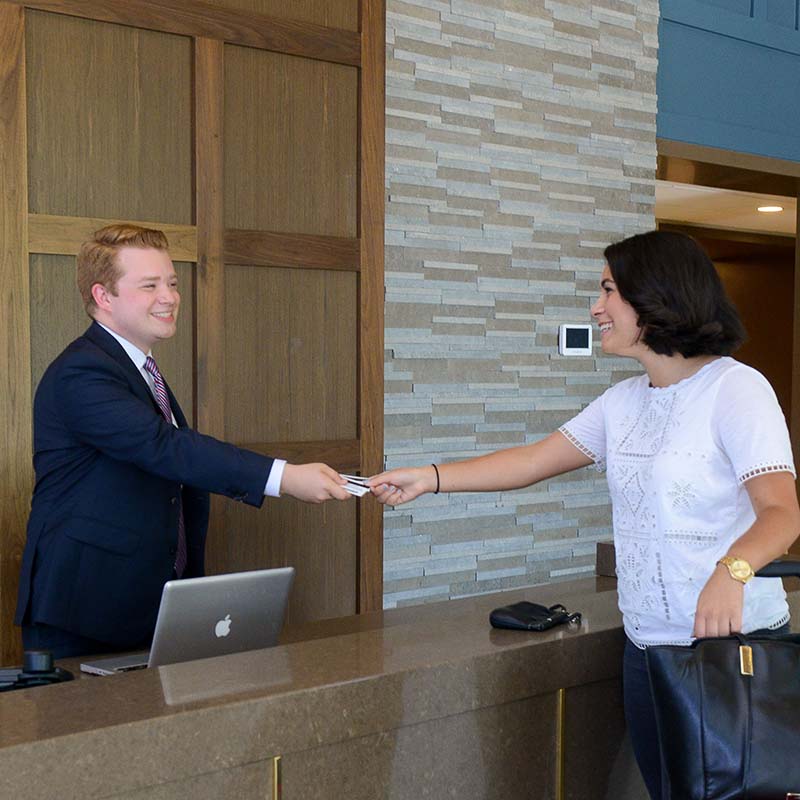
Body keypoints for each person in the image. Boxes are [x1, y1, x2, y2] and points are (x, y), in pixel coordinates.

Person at [367, 230, 800, 799]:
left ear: (654, 295)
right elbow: (530, 461)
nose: (596, 307)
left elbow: (781, 513)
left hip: (731, 650)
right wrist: (430, 477)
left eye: (608, 290)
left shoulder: (737, 390)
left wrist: (732, 571)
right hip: (647, 652)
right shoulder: (624, 402)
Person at [16, 224, 352, 659]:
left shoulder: (138, 369)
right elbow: (166, 448)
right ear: (103, 297)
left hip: (147, 609)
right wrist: (282, 477)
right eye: (150, 285)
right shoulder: (82, 372)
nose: (170, 297)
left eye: (172, 283)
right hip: (85, 614)